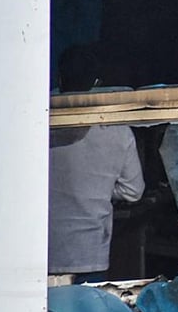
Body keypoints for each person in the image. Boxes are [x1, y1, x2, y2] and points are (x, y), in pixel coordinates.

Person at [48, 46, 145, 280]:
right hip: (90, 253)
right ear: (99, 82)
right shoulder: (118, 130)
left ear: (60, 78)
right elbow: (134, 192)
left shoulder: (41, 121)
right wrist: (99, 188)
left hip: (41, 250)